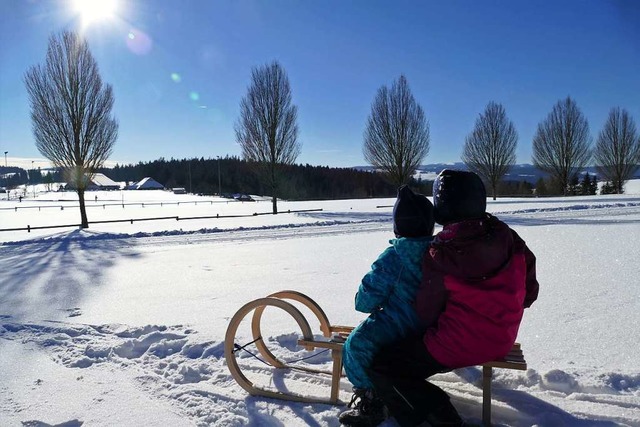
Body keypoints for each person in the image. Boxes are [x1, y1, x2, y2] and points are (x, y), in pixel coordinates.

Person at [362, 169, 539, 427]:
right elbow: (530, 290)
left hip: (457, 344)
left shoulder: (442, 252)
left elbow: (426, 311)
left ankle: (442, 416)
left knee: (383, 365)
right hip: (503, 338)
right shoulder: (509, 237)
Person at [339, 185, 436, 427]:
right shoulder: (439, 251)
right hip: (432, 327)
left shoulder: (395, 257)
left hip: (398, 326)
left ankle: (372, 401)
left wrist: (367, 299)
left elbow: (365, 301)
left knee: (356, 345)